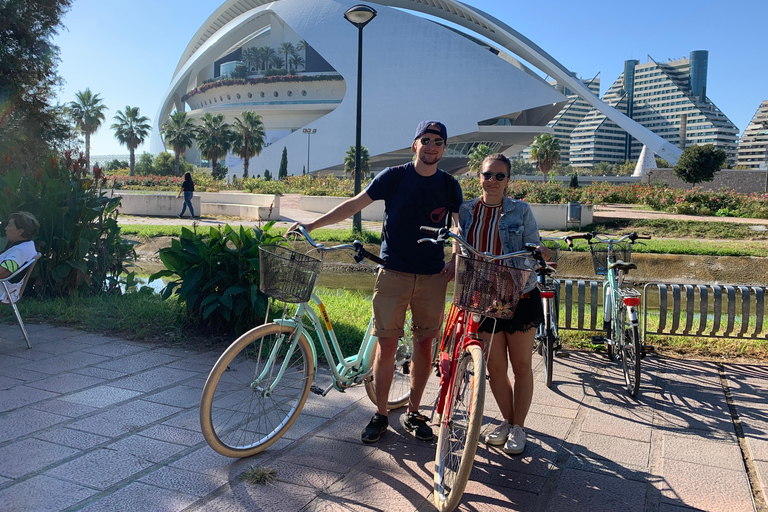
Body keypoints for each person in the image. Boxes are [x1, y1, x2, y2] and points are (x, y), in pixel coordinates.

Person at [289, 121, 463, 443]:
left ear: (444, 148)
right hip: (393, 273)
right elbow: (354, 204)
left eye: (438, 141)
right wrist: (312, 224)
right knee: (387, 345)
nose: (431, 146)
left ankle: (413, 412)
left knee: (425, 345)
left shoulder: (450, 186)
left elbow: (457, 228)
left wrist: (456, 257)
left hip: (433, 278)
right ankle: (381, 413)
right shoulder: (394, 177)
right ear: (415, 144)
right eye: (425, 140)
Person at [456, 153, 548, 455]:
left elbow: (534, 245)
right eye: (487, 175)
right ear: (478, 177)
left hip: (520, 295)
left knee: (521, 365)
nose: (492, 181)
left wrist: (532, 256)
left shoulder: (520, 210)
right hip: (484, 297)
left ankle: (518, 426)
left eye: (499, 176)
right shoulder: (467, 210)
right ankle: (507, 423)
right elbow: (462, 245)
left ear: (508, 180)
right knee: (495, 368)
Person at [0, 211, 39, 302]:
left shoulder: (20, 251)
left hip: (4, 291)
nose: (6, 228)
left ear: (20, 231)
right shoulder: (27, 246)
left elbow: (3, 272)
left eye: (9, 225)